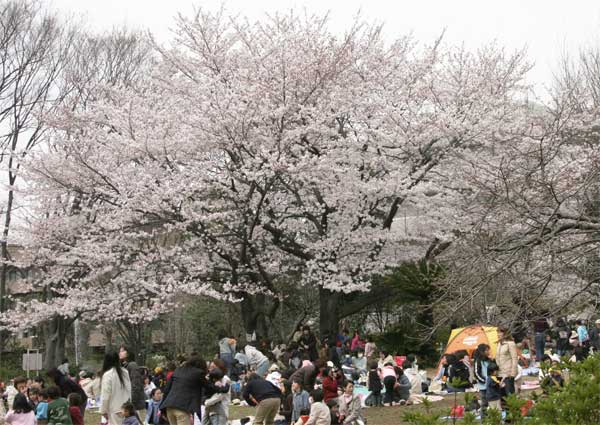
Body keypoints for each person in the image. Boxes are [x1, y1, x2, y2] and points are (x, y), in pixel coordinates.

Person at [160, 356, 208, 425]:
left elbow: (167, 390)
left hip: (169, 408)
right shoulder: (198, 374)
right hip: (182, 409)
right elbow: (209, 387)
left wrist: (162, 409)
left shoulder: (177, 371)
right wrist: (223, 389)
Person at [100, 351, 132, 425]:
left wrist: (103, 411)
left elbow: (105, 396)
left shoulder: (108, 375)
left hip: (114, 410)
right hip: (126, 408)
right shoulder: (125, 372)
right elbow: (129, 390)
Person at [119, 346, 146, 417]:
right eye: (120, 351)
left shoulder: (132, 365)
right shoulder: (124, 365)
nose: (120, 353)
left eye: (122, 351)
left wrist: (131, 403)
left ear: (128, 353)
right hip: (126, 400)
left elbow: (136, 384)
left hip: (132, 402)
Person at [496, 327, 518, 396]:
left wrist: (513, 372)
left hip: (508, 373)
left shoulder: (510, 343)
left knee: (509, 393)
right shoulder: (499, 344)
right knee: (502, 394)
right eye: (498, 332)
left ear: (505, 333)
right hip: (499, 373)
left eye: (500, 332)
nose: (498, 334)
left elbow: (514, 358)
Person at [473, 344, 491, 413]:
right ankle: (484, 420)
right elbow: (476, 373)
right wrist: (484, 381)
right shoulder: (478, 361)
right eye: (486, 350)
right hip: (483, 386)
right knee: (485, 403)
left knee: (492, 402)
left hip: (491, 385)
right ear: (482, 351)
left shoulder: (489, 360)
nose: (488, 352)